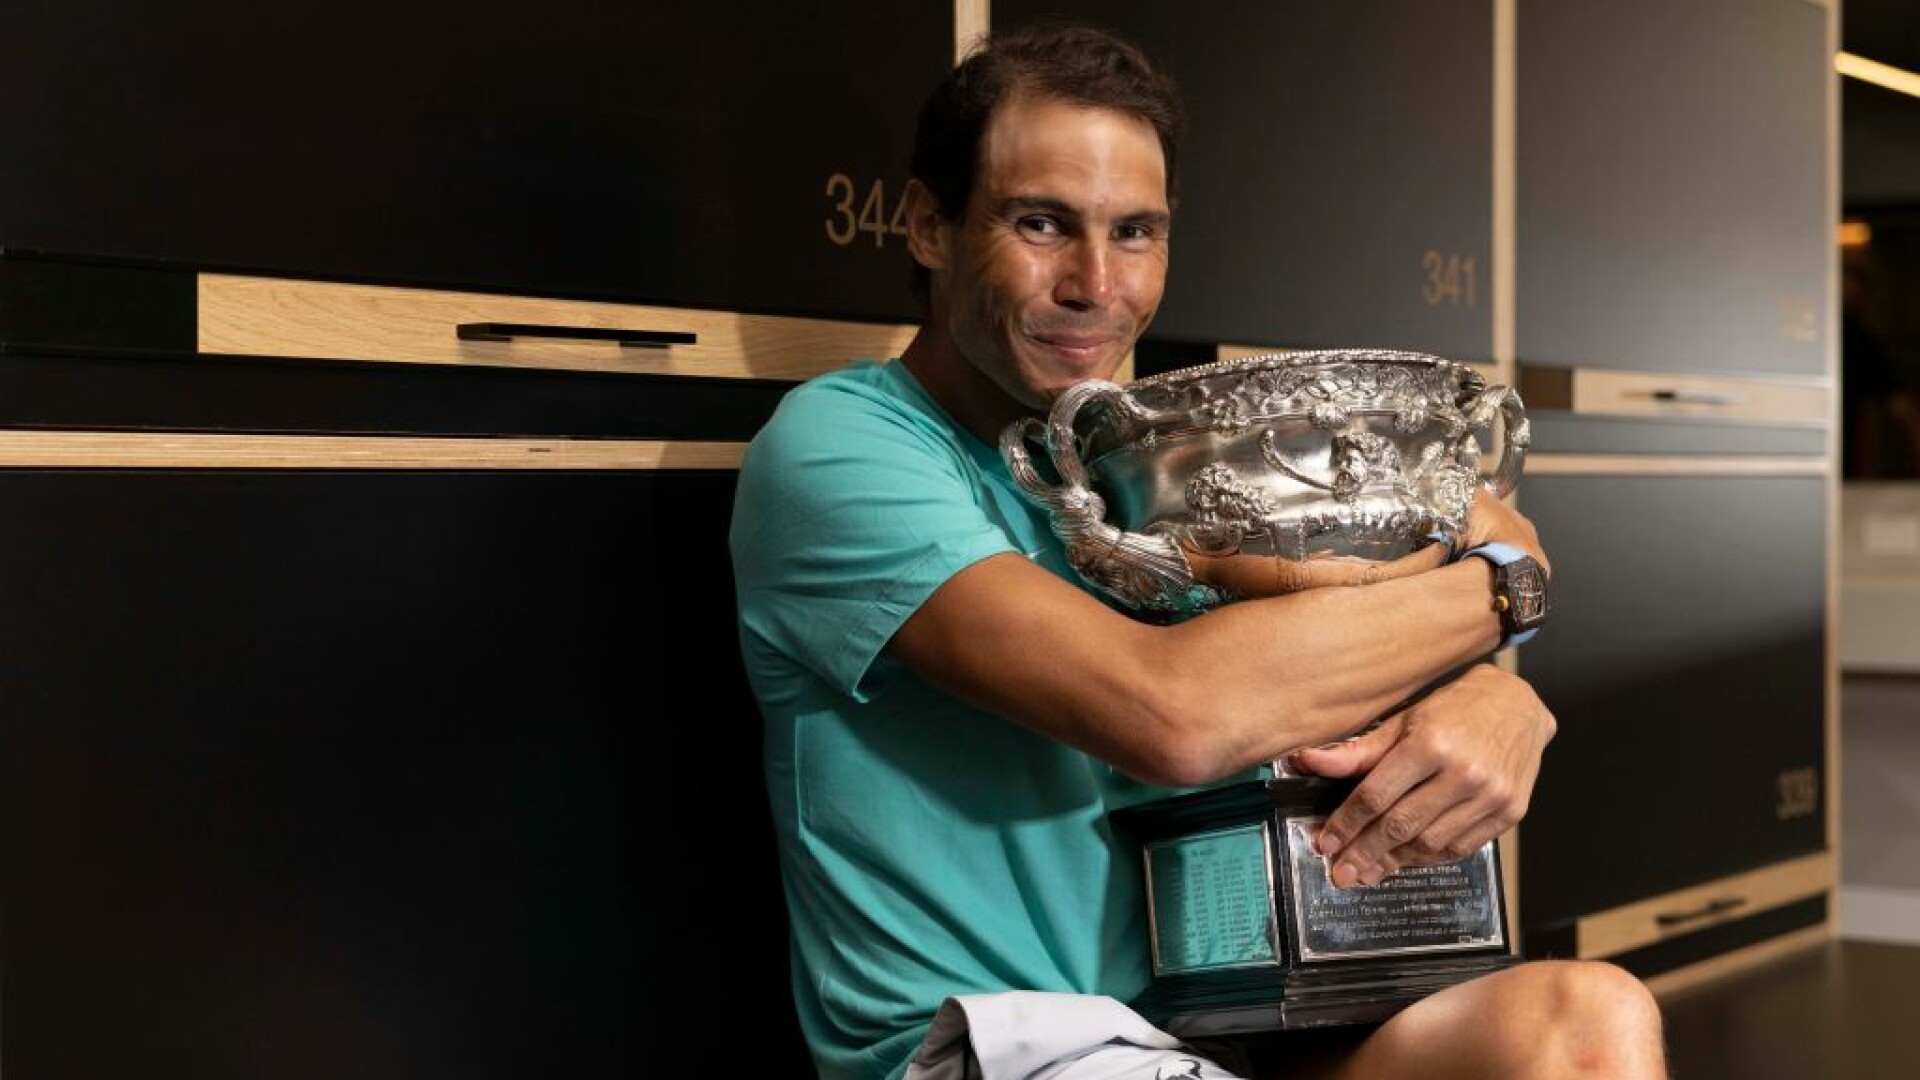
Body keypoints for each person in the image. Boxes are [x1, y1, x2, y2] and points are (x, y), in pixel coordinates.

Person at [730, 21, 1667, 1080]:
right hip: (1005, 1052)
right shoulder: (842, 446)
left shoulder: (1157, 456)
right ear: (929, 226)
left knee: (1593, 1023)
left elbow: (1453, 571)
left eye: (1135, 232)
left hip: (1215, 1024)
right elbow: (1175, 717)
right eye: (1041, 223)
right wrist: (1507, 599)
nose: (1096, 283)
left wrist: (1491, 697)